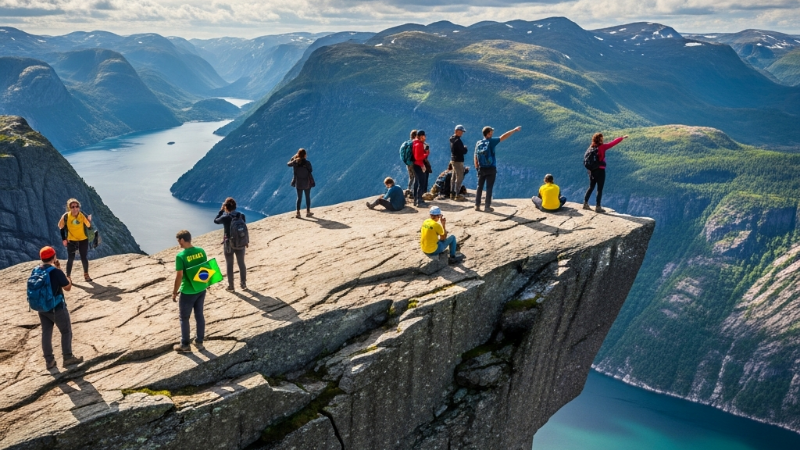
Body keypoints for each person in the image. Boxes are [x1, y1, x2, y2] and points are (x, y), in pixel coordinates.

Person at [35, 246, 83, 369]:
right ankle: (67, 358)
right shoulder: (56, 272)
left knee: (46, 333)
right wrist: (65, 275)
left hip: (42, 307)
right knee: (66, 331)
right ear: (54, 257)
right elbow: (67, 287)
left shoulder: (36, 270)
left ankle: (49, 361)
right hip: (57, 307)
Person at [172, 230, 207, 352]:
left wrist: (174, 291)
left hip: (188, 291)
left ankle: (185, 344)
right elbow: (205, 269)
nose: (178, 244)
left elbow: (179, 276)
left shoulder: (181, 256)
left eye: (178, 241)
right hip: (201, 288)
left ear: (182, 240)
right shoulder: (201, 251)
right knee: (199, 315)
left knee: (184, 317)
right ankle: (199, 341)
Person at [474, 125, 521, 212]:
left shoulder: (478, 143)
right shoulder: (491, 141)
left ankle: (477, 205)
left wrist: (477, 168)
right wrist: (514, 130)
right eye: (491, 132)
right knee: (489, 187)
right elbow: (503, 136)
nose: (492, 133)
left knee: (479, 187)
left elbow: (476, 157)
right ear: (488, 134)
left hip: (481, 168)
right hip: (491, 168)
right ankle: (487, 207)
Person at [583, 133, 628, 213]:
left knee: (591, 187)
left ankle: (585, 203)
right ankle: (598, 207)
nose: (603, 139)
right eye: (602, 138)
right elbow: (612, 143)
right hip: (600, 170)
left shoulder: (591, 147)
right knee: (599, 189)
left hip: (592, 171)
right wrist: (622, 138)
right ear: (600, 139)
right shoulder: (602, 147)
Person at [214, 197, 247, 291]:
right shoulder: (241, 215)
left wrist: (221, 211)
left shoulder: (225, 217)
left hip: (228, 243)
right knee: (241, 263)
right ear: (235, 206)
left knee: (229, 264)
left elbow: (215, 221)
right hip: (240, 243)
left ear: (226, 207)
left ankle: (231, 286)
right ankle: (243, 284)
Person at [57, 198, 92, 282]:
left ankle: (86, 274)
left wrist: (88, 221)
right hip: (71, 240)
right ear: (69, 208)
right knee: (71, 258)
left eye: (77, 206)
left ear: (79, 207)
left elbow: (89, 226)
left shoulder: (82, 215)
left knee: (84, 257)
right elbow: (61, 227)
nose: (75, 208)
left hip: (83, 239)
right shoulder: (66, 216)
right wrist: (64, 239)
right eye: (72, 207)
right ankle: (68, 277)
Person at [288, 148, 315, 218]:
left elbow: (288, 164)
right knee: (307, 197)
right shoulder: (307, 163)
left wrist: (294, 157)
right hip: (307, 182)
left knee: (299, 197)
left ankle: (298, 213)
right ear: (305, 155)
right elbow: (310, 170)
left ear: (298, 154)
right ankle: (308, 212)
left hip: (298, 182)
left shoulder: (295, 162)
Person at [412, 130, 431, 207]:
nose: (425, 137)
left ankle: (416, 199)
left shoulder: (415, 143)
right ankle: (419, 201)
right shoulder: (419, 144)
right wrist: (426, 153)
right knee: (422, 183)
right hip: (419, 165)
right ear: (421, 136)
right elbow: (418, 157)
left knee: (417, 182)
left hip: (415, 165)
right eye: (424, 136)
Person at [449, 125, 468, 201]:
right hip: (459, 161)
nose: (461, 133)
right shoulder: (458, 141)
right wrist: (465, 148)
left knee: (453, 177)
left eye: (462, 132)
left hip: (453, 160)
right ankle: (457, 195)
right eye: (460, 132)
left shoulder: (451, 139)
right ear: (456, 131)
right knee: (459, 177)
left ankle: (452, 193)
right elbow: (464, 151)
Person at [400, 130, 418, 195]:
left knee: (411, 177)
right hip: (413, 163)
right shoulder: (414, 143)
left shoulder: (407, 143)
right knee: (416, 177)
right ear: (415, 136)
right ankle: (413, 192)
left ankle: (409, 189)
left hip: (408, 163)